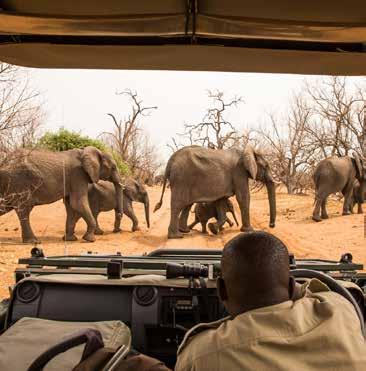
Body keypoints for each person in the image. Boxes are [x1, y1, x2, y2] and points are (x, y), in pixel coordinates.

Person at [175, 231, 366, 371]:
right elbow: (312, 289)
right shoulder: (340, 309)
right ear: (291, 287)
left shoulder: (199, 356)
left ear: (221, 291)